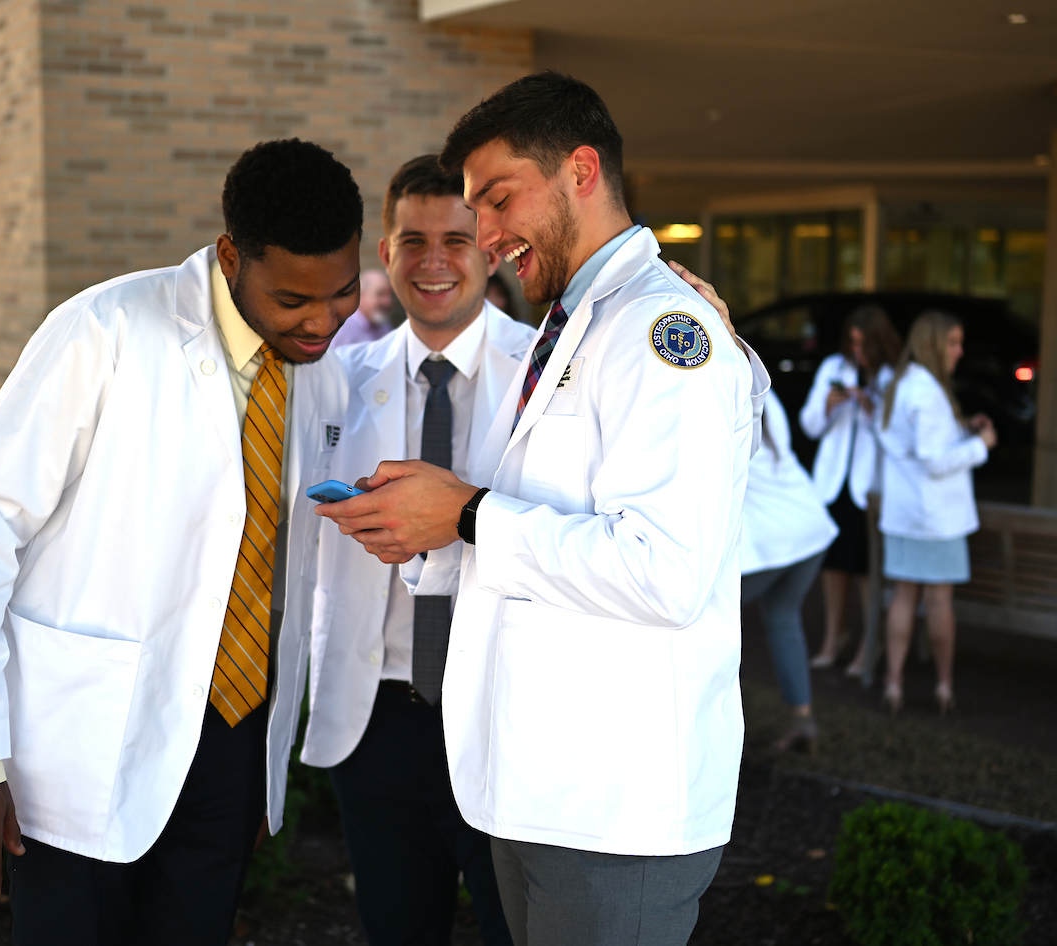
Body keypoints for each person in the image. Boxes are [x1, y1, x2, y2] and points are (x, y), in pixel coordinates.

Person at [318, 71, 769, 946]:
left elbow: (665, 571)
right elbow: (553, 521)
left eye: (496, 200)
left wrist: (468, 516)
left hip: (612, 810)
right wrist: (428, 531)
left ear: (581, 170)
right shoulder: (582, 321)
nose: (485, 236)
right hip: (540, 791)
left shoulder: (658, 332)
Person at [0, 139, 360, 945]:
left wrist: (261, 778)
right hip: (85, 746)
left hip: (232, 746)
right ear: (231, 257)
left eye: (343, 293)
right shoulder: (103, 330)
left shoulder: (320, 370)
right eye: (296, 297)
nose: (324, 320)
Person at [300, 154, 531, 945]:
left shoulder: (551, 373)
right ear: (383, 253)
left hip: (507, 714)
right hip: (379, 723)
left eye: (456, 240)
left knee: (519, 931)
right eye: (411, 240)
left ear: (490, 248)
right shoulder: (330, 380)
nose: (433, 261)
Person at [877, 310, 995, 715]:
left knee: (904, 597)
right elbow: (933, 459)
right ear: (932, 343)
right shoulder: (927, 391)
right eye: (953, 342)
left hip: (905, 513)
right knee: (939, 602)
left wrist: (963, 430)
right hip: (935, 519)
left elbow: (914, 445)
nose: (960, 351)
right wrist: (982, 445)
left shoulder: (902, 382)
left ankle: (894, 684)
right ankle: (944, 686)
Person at [799, 305, 901, 675]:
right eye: (852, 343)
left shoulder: (891, 377)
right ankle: (834, 636)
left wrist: (872, 408)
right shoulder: (833, 369)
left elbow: (895, 438)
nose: (856, 352)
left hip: (867, 489)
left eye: (863, 345)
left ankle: (868, 643)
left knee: (864, 568)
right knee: (833, 565)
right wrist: (827, 407)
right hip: (832, 484)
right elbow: (809, 426)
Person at [740, 389, 838, 753]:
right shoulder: (764, 387)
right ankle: (802, 719)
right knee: (783, 617)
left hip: (776, 538)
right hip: (809, 525)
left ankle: (710, 726)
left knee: (709, 620)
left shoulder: (724, 391)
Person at [331, 268, 395, 346]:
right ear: (360, 295)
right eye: (380, 294)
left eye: (390, 295)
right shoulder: (341, 329)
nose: (388, 302)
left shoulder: (385, 327)